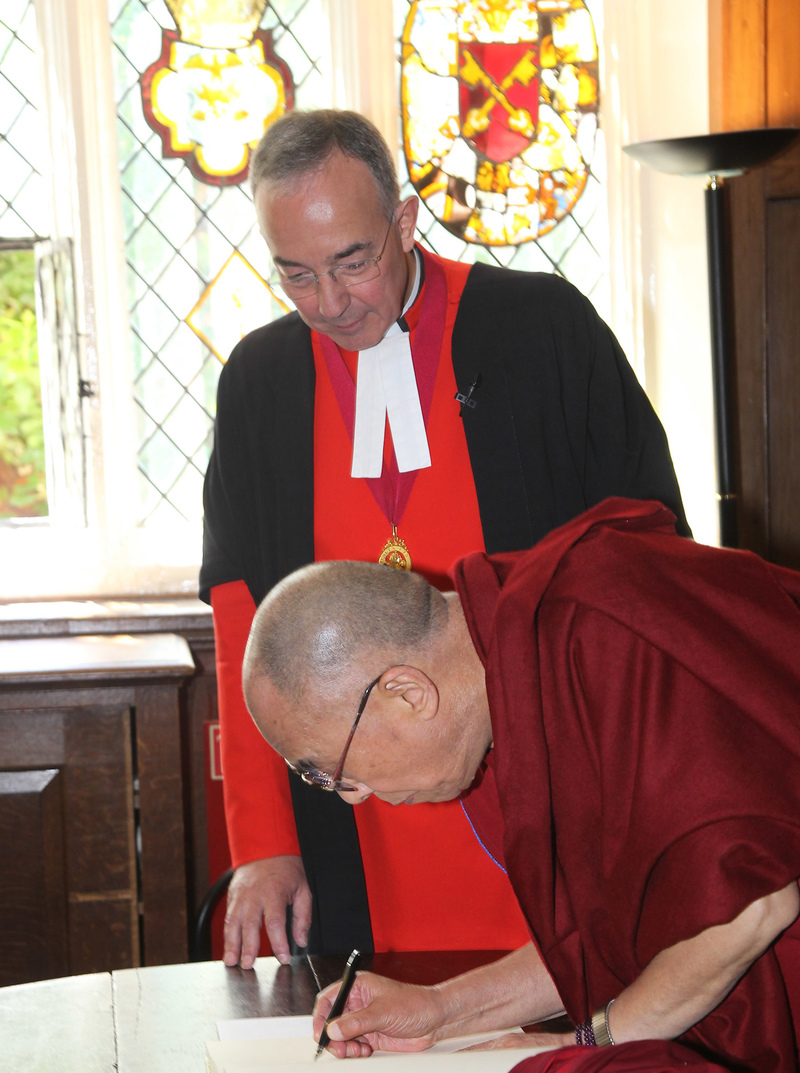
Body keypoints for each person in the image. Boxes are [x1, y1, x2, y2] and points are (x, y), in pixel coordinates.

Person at [200, 108, 689, 968]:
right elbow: (247, 627)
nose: (332, 303)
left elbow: (644, 566)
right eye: (297, 275)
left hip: (546, 782)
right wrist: (263, 840)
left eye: (354, 261)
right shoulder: (260, 382)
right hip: (350, 814)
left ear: (404, 220)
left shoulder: (540, 331)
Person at [242, 497, 800, 1073]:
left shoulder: (600, 628)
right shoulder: (520, 656)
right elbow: (622, 930)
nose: (353, 797)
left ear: (405, 692)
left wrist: (583, 1048)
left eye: (332, 771)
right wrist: (442, 1010)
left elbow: (747, 907)